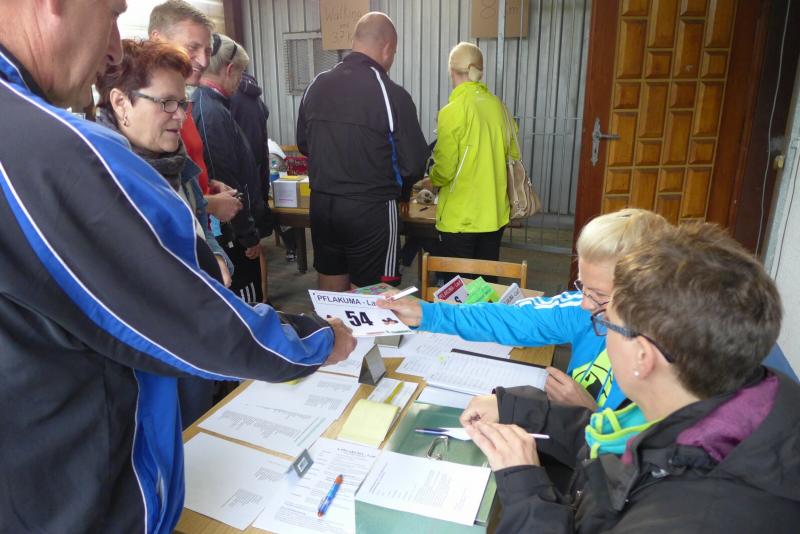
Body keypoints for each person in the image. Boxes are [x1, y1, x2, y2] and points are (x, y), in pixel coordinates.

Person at [0, 2, 354, 532]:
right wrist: (317, 340)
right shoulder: (48, 151)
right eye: (111, 14)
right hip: (85, 494)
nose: (112, 49)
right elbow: (193, 319)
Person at [462, 223, 800, 532]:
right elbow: (622, 449)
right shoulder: (712, 399)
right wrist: (519, 410)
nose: (597, 323)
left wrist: (526, 488)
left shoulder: (689, 519)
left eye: (606, 322)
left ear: (642, 356)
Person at [380, 208, 670, 411]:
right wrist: (427, 313)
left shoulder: (669, 368)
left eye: (599, 295)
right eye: (583, 286)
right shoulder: (581, 309)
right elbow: (511, 319)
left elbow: (637, 467)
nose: (584, 303)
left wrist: (589, 415)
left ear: (645, 293)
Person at [94, 38, 234, 425]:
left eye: (183, 104)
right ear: (121, 103)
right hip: (145, 361)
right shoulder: (100, 177)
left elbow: (200, 227)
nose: (180, 116)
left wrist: (215, 257)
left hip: (194, 336)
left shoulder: (177, 165)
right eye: (167, 103)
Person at [297, 11, 429, 290]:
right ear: (387, 48)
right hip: (371, 210)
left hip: (322, 205)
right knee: (373, 296)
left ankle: (332, 321)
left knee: (331, 286)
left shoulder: (316, 85)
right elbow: (414, 164)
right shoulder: (391, 94)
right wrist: (402, 191)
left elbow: (304, 144)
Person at [149, 0, 244, 254]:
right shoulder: (148, 112)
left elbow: (178, 175)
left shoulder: (184, 105)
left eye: (208, 50)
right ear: (157, 40)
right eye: (192, 48)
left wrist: (206, 184)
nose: (202, 60)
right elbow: (153, 198)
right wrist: (210, 203)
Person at [193, 33, 272, 304]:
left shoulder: (215, 107)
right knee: (247, 304)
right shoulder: (212, 113)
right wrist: (247, 234)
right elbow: (224, 178)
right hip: (230, 234)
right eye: (240, 73)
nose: (240, 82)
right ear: (229, 70)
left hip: (232, 226)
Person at [429, 42, 518, 272]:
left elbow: (444, 171)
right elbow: (513, 155)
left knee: (458, 287)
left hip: (460, 218)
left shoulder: (452, 111)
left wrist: (432, 177)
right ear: (481, 71)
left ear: (451, 71)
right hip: (495, 214)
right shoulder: (500, 108)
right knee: (486, 283)